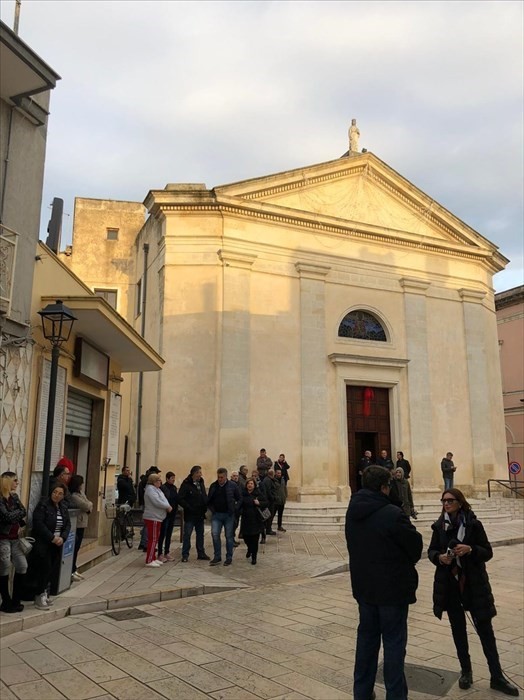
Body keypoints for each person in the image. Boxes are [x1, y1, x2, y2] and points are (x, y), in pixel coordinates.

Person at [428, 489, 519, 697]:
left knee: (486, 631)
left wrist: (470, 550)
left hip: (473, 585)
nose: (446, 504)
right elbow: (432, 550)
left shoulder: (474, 524)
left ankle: (497, 676)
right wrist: (440, 558)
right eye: (443, 501)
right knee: (458, 631)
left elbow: (487, 551)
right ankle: (466, 671)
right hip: (450, 586)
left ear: (460, 502)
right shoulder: (439, 526)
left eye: (450, 500)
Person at [345, 466, 423, 700]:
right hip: (392, 591)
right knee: (394, 645)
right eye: (389, 485)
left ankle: (362, 693)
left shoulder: (352, 511)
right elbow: (415, 547)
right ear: (383, 487)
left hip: (364, 589)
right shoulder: (392, 514)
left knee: (366, 643)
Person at [29, 483, 71, 610]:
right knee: (44, 568)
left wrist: (62, 538)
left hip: (57, 543)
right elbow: (39, 523)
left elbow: (67, 524)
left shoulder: (63, 507)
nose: (56, 495)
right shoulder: (43, 505)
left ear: (64, 496)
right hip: (44, 542)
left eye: (60, 493)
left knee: (51, 568)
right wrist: (52, 538)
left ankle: (45, 593)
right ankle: (39, 595)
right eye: (54, 492)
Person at [0, 474, 27, 613]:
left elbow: (24, 511)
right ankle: (6, 601)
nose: (17, 483)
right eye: (15, 480)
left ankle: (16, 600)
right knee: (4, 566)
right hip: (3, 538)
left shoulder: (14, 497)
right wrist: (16, 514)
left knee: (22, 565)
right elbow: (6, 517)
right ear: (7, 481)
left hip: (15, 538)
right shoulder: (1, 498)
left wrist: (14, 514)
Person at [207, 468, 241, 566]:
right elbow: (209, 500)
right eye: (218, 477)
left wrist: (235, 508)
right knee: (215, 534)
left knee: (229, 536)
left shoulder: (232, 486)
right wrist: (212, 510)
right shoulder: (214, 486)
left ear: (226, 477)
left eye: (222, 477)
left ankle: (229, 557)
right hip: (217, 514)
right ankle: (217, 556)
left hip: (228, 515)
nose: (220, 479)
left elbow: (239, 498)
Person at [178, 465, 210, 563]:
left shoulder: (201, 482)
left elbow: (203, 494)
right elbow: (180, 498)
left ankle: (201, 553)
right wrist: (188, 507)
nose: (201, 474)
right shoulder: (186, 483)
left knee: (200, 534)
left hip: (200, 513)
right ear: (194, 473)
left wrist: (205, 504)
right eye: (199, 472)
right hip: (190, 514)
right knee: (187, 534)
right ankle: (185, 554)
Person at [143, 473, 172, 567]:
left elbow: (164, 499)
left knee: (155, 538)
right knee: (153, 538)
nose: (160, 482)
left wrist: (167, 505)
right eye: (159, 480)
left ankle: (153, 558)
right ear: (154, 481)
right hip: (153, 517)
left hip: (158, 517)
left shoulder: (157, 489)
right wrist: (167, 506)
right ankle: (149, 560)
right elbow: (157, 502)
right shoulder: (150, 490)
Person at [69, 474, 92, 582]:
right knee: (75, 547)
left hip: (82, 522)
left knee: (77, 548)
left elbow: (88, 503)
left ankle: (74, 568)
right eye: (81, 483)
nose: (82, 485)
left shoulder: (80, 493)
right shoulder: (73, 495)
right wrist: (88, 505)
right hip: (77, 523)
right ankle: (71, 570)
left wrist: (88, 504)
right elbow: (87, 505)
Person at [239, 478, 267, 565]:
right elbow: (239, 505)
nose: (250, 485)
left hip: (256, 520)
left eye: (251, 483)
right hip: (246, 520)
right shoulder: (243, 494)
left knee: (255, 540)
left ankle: (254, 557)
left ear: (254, 485)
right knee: (246, 538)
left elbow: (266, 503)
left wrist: (259, 503)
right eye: (248, 483)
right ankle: (249, 549)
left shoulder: (258, 494)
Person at [137, 466, 161, 551]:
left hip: (145, 504)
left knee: (146, 524)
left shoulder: (144, 480)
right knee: (148, 525)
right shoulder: (149, 482)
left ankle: (143, 543)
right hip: (148, 505)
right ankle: (146, 544)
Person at [157, 471, 178, 561]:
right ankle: (160, 553)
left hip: (172, 514)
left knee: (169, 534)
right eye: (172, 478)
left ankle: (167, 552)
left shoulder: (174, 488)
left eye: (174, 478)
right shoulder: (163, 488)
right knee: (163, 534)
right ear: (167, 479)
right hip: (165, 514)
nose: (173, 479)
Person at [259, 468, 277, 538]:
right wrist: (272, 498)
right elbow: (269, 491)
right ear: (272, 474)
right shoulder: (268, 480)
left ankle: (268, 529)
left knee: (269, 515)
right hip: (269, 501)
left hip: (268, 501)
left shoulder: (267, 479)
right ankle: (268, 529)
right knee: (269, 515)